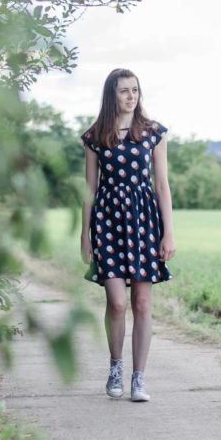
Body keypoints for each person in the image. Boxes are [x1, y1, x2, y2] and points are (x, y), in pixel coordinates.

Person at [80, 68, 176, 402]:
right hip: (106, 221)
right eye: (124, 91)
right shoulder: (95, 136)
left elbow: (162, 185)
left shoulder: (152, 132)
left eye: (135, 90)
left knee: (142, 301)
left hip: (144, 221)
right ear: (112, 95)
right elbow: (89, 188)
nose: (131, 96)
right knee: (117, 302)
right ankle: (116, 367)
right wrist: (85, 235)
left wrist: (169, 233)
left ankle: (139, 378)